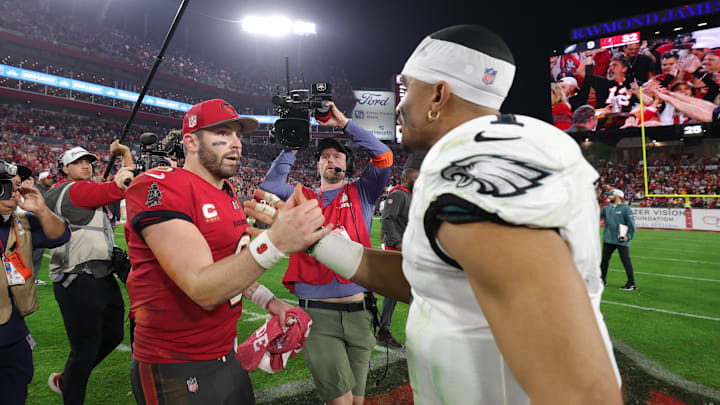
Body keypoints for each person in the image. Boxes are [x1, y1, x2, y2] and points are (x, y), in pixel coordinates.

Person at [268, 25, 622, 404]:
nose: (400, 104)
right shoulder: (493, 146)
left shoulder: (479, 162)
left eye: (407, 87)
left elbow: (580, 382)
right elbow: (431, 279)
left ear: (439, 93)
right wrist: (318, 242)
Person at [123, 98, 329, 404]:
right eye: (222, 134)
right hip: (175, 362)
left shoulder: (227, 192)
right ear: (191, 141)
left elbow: (228, 265)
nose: (235, 143)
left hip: (224, 352)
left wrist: (271, 303)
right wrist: (275, 241)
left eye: (238, 135)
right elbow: (202, 287)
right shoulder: (159, 185)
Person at [261, 101, 393, 405]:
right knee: (340, 402)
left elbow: (383, 156)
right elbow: (270, 184)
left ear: (347, 164)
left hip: (361, 314)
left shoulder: (363, 191)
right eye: (324, 156)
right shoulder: (303, 195)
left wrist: (344, 123)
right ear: (317, 165)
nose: (331, 159)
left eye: (337, 155)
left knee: (357, 402)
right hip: (318, 315)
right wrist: (293, 145)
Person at [44, 141, 135, 404]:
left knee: (113, 335)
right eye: (77, 162)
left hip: (99, 276)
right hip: (79, 279)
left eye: (88, 162)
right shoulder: (74, 191)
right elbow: (124, 185)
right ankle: (71, 387)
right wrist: (126, 155)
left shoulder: (73, 191)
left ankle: (69, 379)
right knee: (84, 350)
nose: (86, 165)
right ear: (64, 168)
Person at [0, 161, 70, 405]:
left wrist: (41, 210)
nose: (13, 192)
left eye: (17, 186)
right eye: (5, 187)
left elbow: (61, 234)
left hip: (14, 332)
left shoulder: (22, 221)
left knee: (15, 391)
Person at [377, 168, 418, 349]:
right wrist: (398, 243)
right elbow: (387, 219)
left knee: (407, 293)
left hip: (408, 251)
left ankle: (386, 331)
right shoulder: (399, 194)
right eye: (417, 178)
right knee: (397, 293)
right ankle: (384, 331)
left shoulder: (409, 196)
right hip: (398, 251)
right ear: (407, 179)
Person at [600, 189, 637, 290]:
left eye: (610, 195)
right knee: (604, 261)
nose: (608, 197)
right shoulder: (606, 208)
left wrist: (628, 236)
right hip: (608, 239)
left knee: (626, 261)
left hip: (621, 240)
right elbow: (596, 217)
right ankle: (602, 280)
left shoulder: (626, 209)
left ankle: (631, 283)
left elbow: (632, 225)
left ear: (617, 196)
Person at [32, 171, 54, 285]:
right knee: (33, 253)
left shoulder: (47, 190)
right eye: (48, 178)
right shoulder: (36, 190)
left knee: (38, 253)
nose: (51, 180)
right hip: (34, 225)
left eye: (51, 178)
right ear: (42, 180)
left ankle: (33, 277)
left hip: (43, 225)